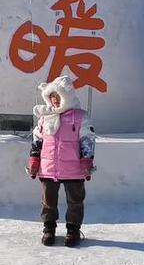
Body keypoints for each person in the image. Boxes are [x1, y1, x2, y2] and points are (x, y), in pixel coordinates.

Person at [27, 75, 95, 247]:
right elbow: (37, 140)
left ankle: (73, 230)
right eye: (51, 97)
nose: (55, 100)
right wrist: (34, 159)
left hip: (74, 170)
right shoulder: (45, 117)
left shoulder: (80, 117)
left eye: (58, 96)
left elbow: (87, 139)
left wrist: (86, 160)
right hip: (49, 168)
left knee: (75, 201)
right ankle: (49, 229)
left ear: (67, 96)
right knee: (48, 202)